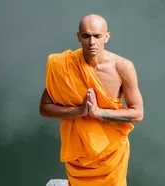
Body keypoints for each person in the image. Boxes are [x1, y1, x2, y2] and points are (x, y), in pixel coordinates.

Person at [39, 14, 144, 186]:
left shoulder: (122, 67)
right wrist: (79, 111)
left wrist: (98, 113)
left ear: (107, 37)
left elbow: (138, 113)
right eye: (86, 36)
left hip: (111, 155)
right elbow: (44, 108)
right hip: (78, 154)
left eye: (97, 36)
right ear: (78, 37)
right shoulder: (64, 66)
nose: (92, 42)